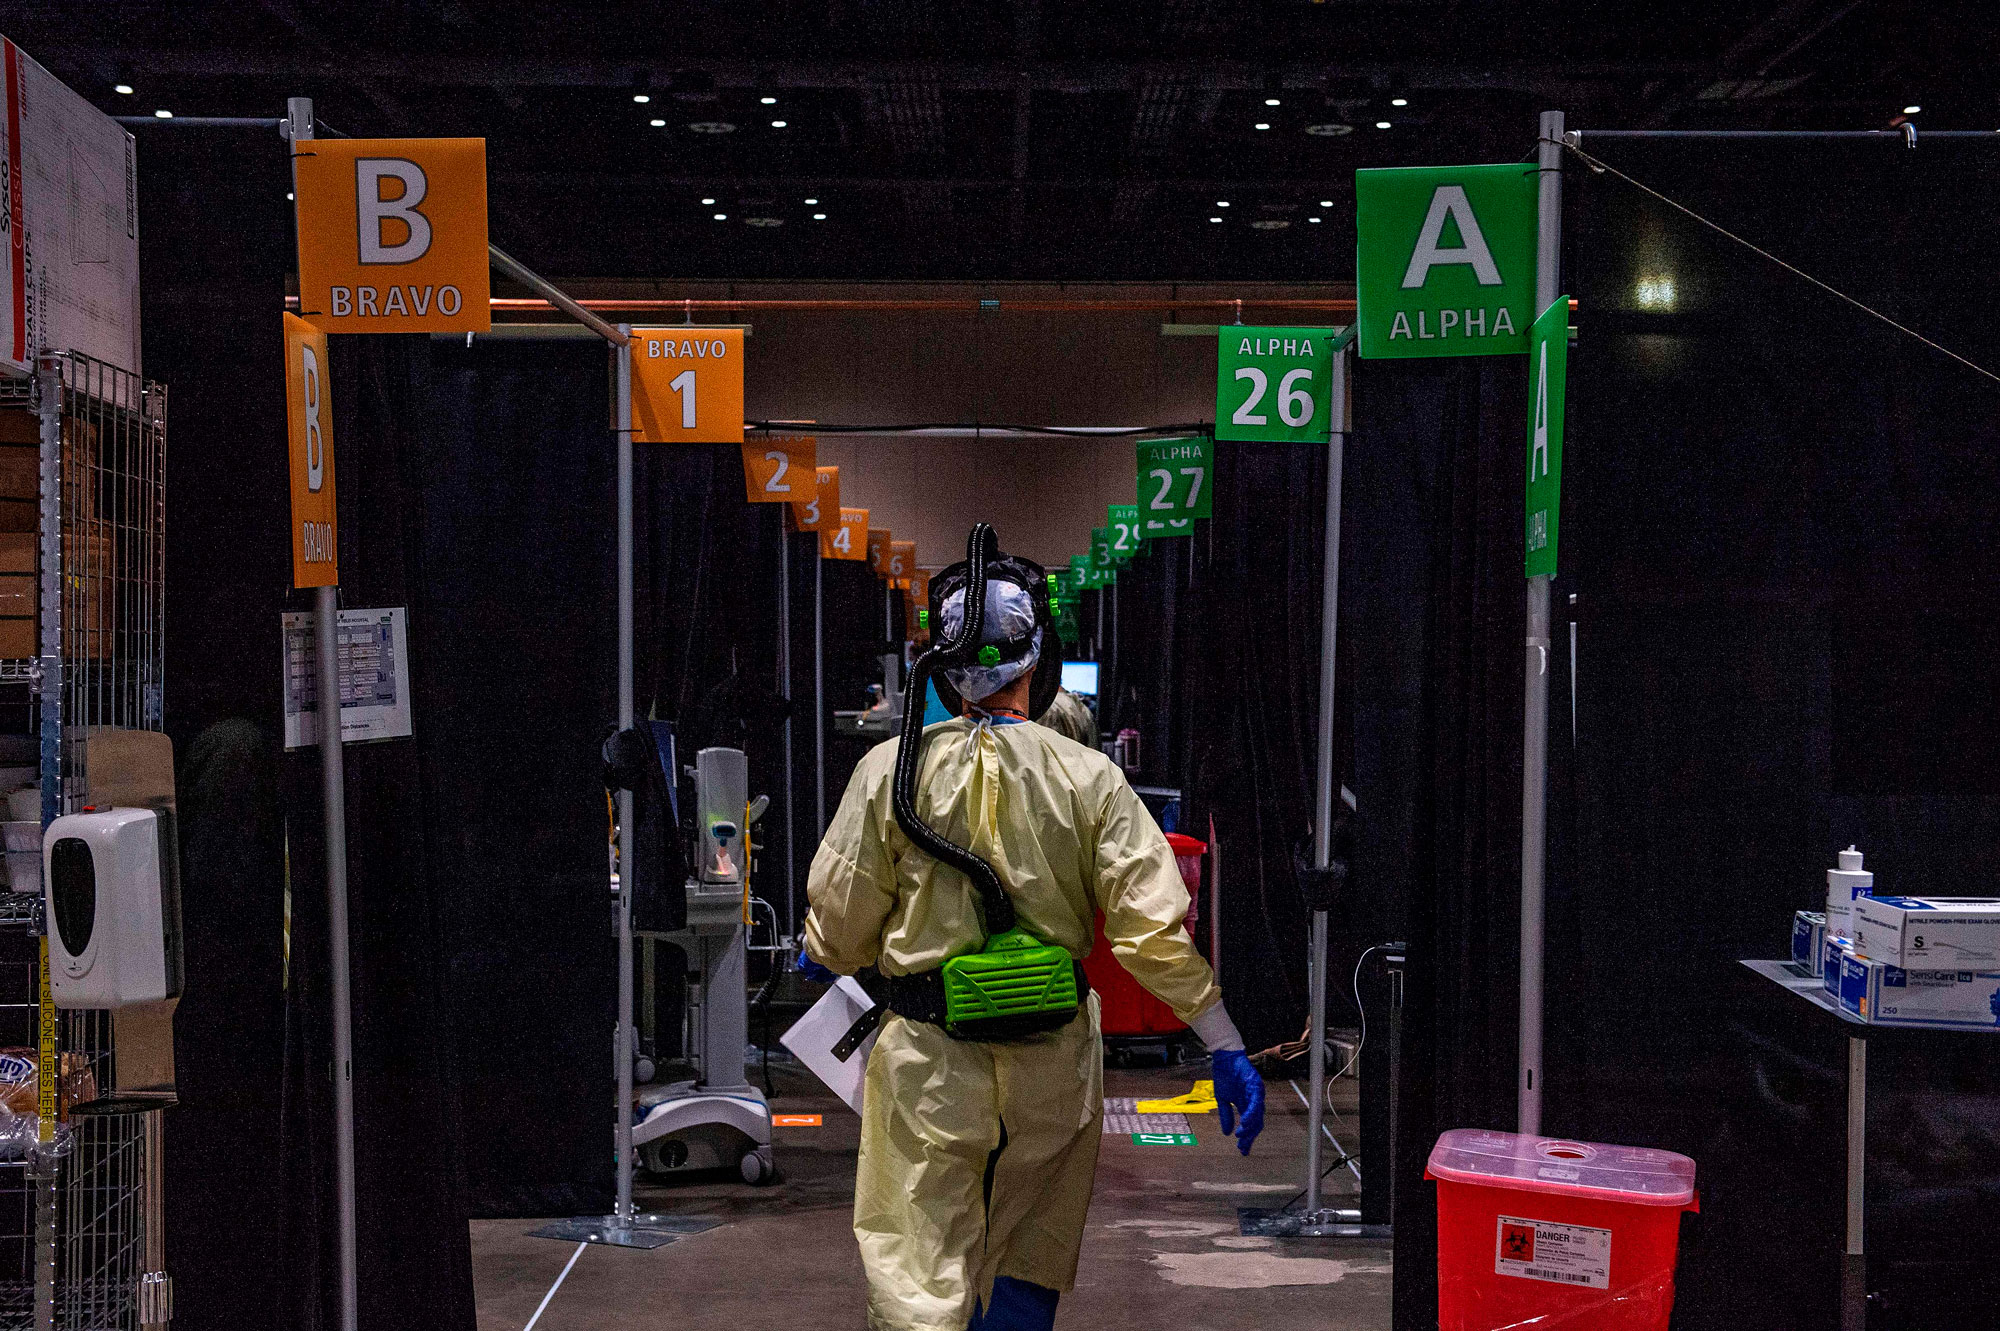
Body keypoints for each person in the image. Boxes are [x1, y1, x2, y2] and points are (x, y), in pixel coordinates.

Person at [803, 536, 1263, 1331]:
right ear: (1037, 661)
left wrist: (822, 948)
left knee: (918, 1271)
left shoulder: (888, 774)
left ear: (940, 669)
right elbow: (1154, 933)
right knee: (1027, 1260)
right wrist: (1223, 1040)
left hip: (929, 1069)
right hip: (1053, 1067)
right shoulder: (1090, 778)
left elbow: (839, 932)